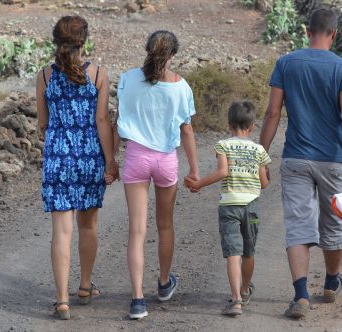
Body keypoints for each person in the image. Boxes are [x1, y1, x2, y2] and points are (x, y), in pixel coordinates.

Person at [259, 8, 342, 319]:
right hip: (332, 160)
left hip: (295, 157)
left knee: (298, 224)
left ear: (308, 31)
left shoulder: (286, 63)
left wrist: (261, 155)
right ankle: (332, 282)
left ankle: (301, 295)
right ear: (334, 34)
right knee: (332, 222)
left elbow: (272, 114)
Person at [36, 15, 118, 320]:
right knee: (88, 226)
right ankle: (84, 286)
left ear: (56, 40)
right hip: (88, 158)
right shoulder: (98, 75)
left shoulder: (44, 76)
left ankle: (61, 300)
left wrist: (60, 133)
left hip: (57, 158)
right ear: (84, 41)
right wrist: (110, 160)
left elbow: (42, 126)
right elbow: (101, 121)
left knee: (61, 231)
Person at [115, 30, 199, 320]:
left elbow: (119, 121)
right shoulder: (181, 86)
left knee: (137, 231)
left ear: (147, 49)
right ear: (173, 54)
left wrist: (111, 160)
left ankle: (137, 300)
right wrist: (195, 170)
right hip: (166, 160)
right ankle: (163, 284)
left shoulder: (127, 79)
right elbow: (186, 130)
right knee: (165, 225)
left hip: (136, 157)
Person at [185, 101, 271, 317]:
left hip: (229, 205)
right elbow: (264, 183)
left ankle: (236, 300)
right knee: (248, 251)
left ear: (229, 125)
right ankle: (245, 288)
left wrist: (199, 183)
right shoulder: (259, 150)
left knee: (233, 253)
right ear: (252, 126)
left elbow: (223, 171)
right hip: (251, 207)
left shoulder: (223, 145)